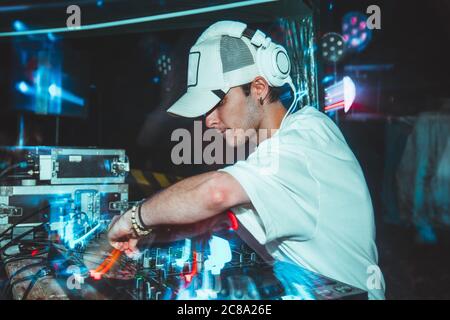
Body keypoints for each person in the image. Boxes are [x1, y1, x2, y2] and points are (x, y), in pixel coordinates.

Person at [107, 20, 385, 299]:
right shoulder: (294, 139)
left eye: (219, 103)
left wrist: (134, 219)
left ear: (260, 88)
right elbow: (217, 218)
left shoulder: (303, 143)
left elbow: (216, 193)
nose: (209, 120)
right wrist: (157, 234)